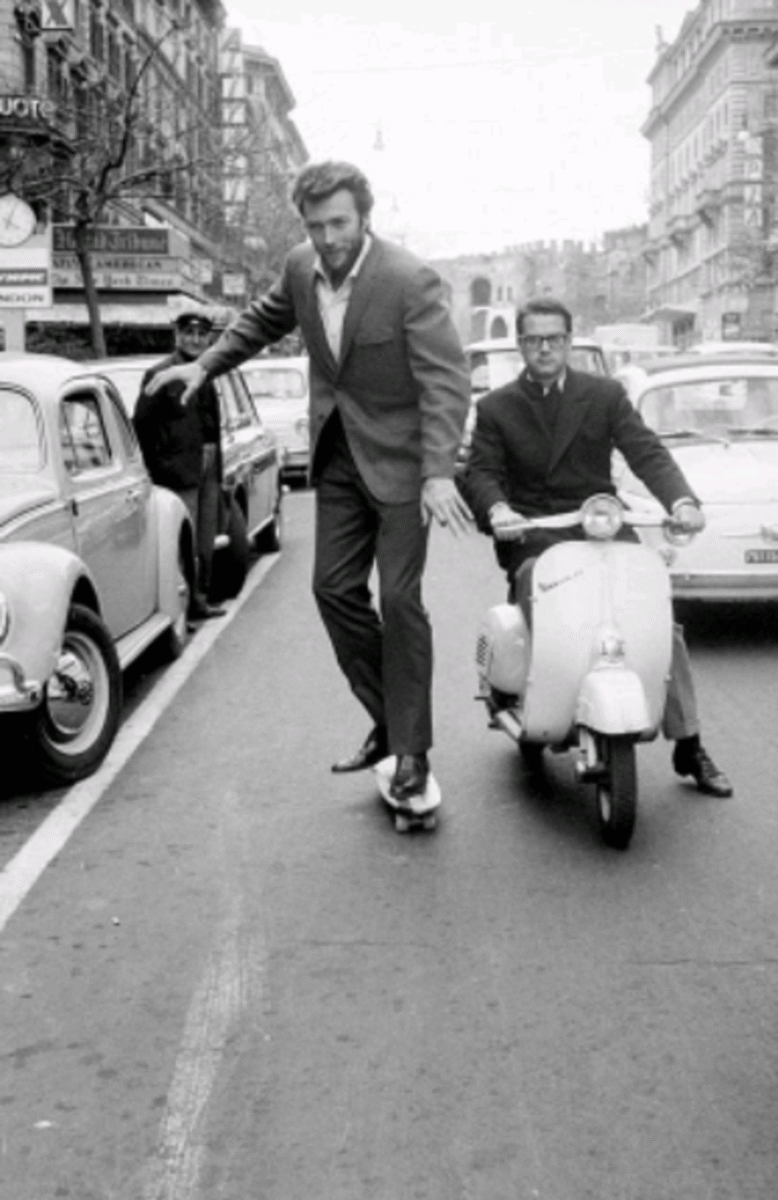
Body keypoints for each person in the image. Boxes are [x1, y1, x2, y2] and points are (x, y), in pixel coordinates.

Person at [143, 160, 472, 801]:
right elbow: (264, 320)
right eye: (316, 225)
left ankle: (412, 752)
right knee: (332, 591)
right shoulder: (300, 266)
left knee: (401, 603)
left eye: (339, 223)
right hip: (339, 458)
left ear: (364, 217)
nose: (328, 238)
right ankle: (390, 720)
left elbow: (445, 380)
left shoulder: (409, 279)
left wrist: (438, 472)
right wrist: (203, 367)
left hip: (403, 464)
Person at [464, 296, 732, 798]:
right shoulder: (496, 408)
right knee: (545, 611)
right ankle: (537, 704)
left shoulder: (604, 396)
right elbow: (480, 471)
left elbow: (645, 451)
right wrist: (498, 509)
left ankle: (689, 743)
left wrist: (681, 500)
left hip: (600, 526)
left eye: (555, 339)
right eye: (534, 339)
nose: (545, 349)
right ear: (520, 344)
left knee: (658, 623)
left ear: (569, 342)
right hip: (536, 534)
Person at [133, 306, 225, 620]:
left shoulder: (208, 371)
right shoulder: (159, 374)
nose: (195, 339)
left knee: (205, 539)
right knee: (182, 540)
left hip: (209, 467)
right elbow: (142, 425)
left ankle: (200, 599)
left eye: (201, 335)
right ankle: (182, 606)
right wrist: (156, 467)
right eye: (189, 333)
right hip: (178, 470)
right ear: (178, 335)